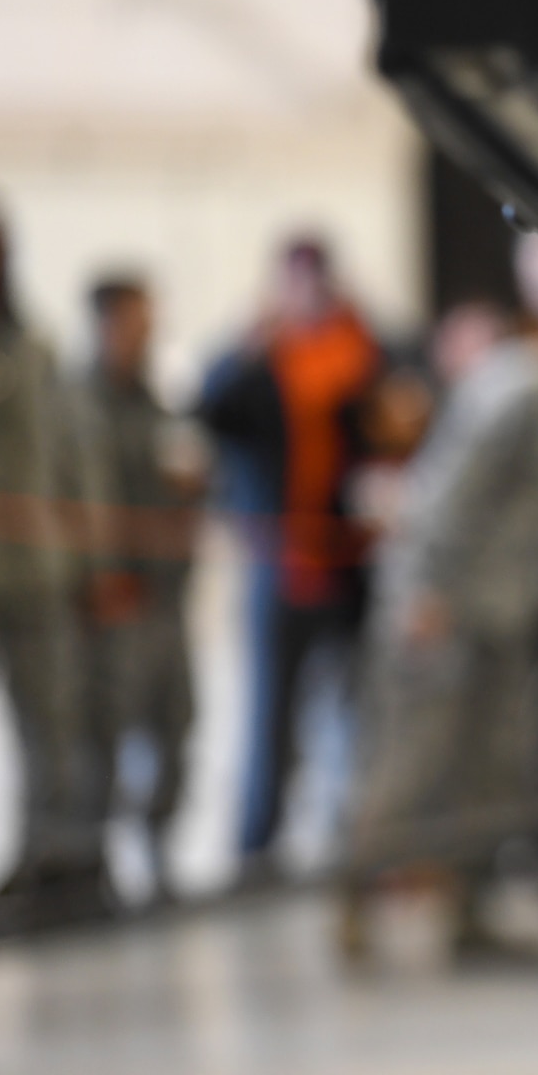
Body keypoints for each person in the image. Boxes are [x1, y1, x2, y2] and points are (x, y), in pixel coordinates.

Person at [342, 246, 538, 957]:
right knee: (414, 763)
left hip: (504, 614)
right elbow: (444, 500)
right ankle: (350, 898)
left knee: (495, 765)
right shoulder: (518, 388)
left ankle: (468, 909)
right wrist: (427, 594)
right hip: (441, 608)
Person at [198, 235, 379, 876]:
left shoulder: (361, 352)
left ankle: (348, 843)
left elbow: (386, 431)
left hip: (348, 566)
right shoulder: (259, 360)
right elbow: (208, 411)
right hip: (278, 565)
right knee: (269, 717)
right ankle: (257, 849)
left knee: (351, 715)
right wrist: (248, 345)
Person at [0, 207, 110, 928]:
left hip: (34, 567)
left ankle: (52, 859)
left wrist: (91, 556)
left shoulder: (34, 347)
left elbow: (71, 456)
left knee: (50, 722)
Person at [72, 274, 204, 902]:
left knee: (176, 727)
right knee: (101, 736)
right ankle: (90, 866)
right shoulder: (73, 407)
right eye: (134, 321)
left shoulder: (160, 405)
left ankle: (157, 850)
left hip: (166, 597)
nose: (145, 334)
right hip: (109, 602)